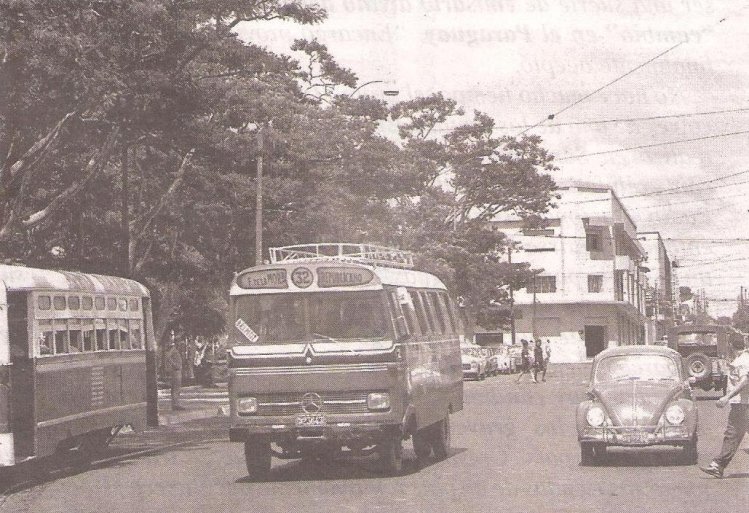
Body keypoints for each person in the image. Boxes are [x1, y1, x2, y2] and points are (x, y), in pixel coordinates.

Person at [699, 348, 749, 478]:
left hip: (743, 405)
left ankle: (718, 465)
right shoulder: (741, 359)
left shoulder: (742, 361)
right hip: (742, 404)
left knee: (732, 434)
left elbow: (744, 380)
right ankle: (718, 465)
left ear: (731, 346)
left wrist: (727, 397)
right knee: (732, 435)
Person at [165, 340, 186, 411]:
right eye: (181, 344)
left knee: (177, 388)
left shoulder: (176, 351)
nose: (182, 346)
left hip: (178, 371)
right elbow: (168, 357)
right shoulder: (174, 351)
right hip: (176, 371)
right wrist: (173, 363)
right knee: (176, 388)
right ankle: (175, 404)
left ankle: (176, 403)